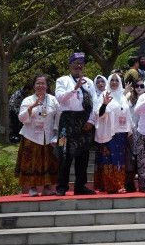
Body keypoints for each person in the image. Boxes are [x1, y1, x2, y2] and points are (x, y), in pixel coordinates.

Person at [54, 52, 96, 196]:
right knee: (63, 153)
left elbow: (94, 103)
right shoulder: (62, 80)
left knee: (83, 155)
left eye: (81, 64)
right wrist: (74, 89)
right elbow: (59, 98)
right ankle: (61, 186)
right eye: (76, 63)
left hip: (84, 121)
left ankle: (80, 186)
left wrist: (91, 120)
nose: (78, 66)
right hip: (66, 121)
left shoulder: (89, 82)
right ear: (70, 65)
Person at [16, 75, 60, 197]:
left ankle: (47, 188)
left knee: (48, 162)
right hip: (31, 136)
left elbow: (58, 117)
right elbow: (21, 118)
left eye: (43, 83)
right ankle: (32, 188)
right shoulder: (28, 100)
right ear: (34, 85)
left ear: (47, 86)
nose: (40, 86)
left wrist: (56, 134)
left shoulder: (53, 100)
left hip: (48, 136)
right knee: (32, 162)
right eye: (38, 83)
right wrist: (31, 107)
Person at [93, 73, 133, 193]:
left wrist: (130, 129)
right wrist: (105, 104)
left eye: (117, 80)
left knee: (120, 159)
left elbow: (127, 113)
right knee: (109, 159)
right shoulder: (104, 95)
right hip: (109, 134)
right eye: (112, 80)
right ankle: (110, 186)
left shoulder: (122, 97)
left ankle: (120, 185)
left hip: (122, 133)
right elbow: (98, 113)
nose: (114, 82)